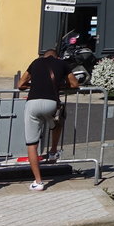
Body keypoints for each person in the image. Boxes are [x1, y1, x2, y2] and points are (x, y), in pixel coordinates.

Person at [18, 47, 80, 191]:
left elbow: (20, 84)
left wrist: (32, 85)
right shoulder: (63, 64)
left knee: (32, 144)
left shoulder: (35, 63)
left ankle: (38, 182)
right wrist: (61, 84)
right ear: (56, 57)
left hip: (32, 103)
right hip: (51, 103)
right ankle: (53, 151)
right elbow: (74, 84)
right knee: (57, 123)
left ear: (43, 56)